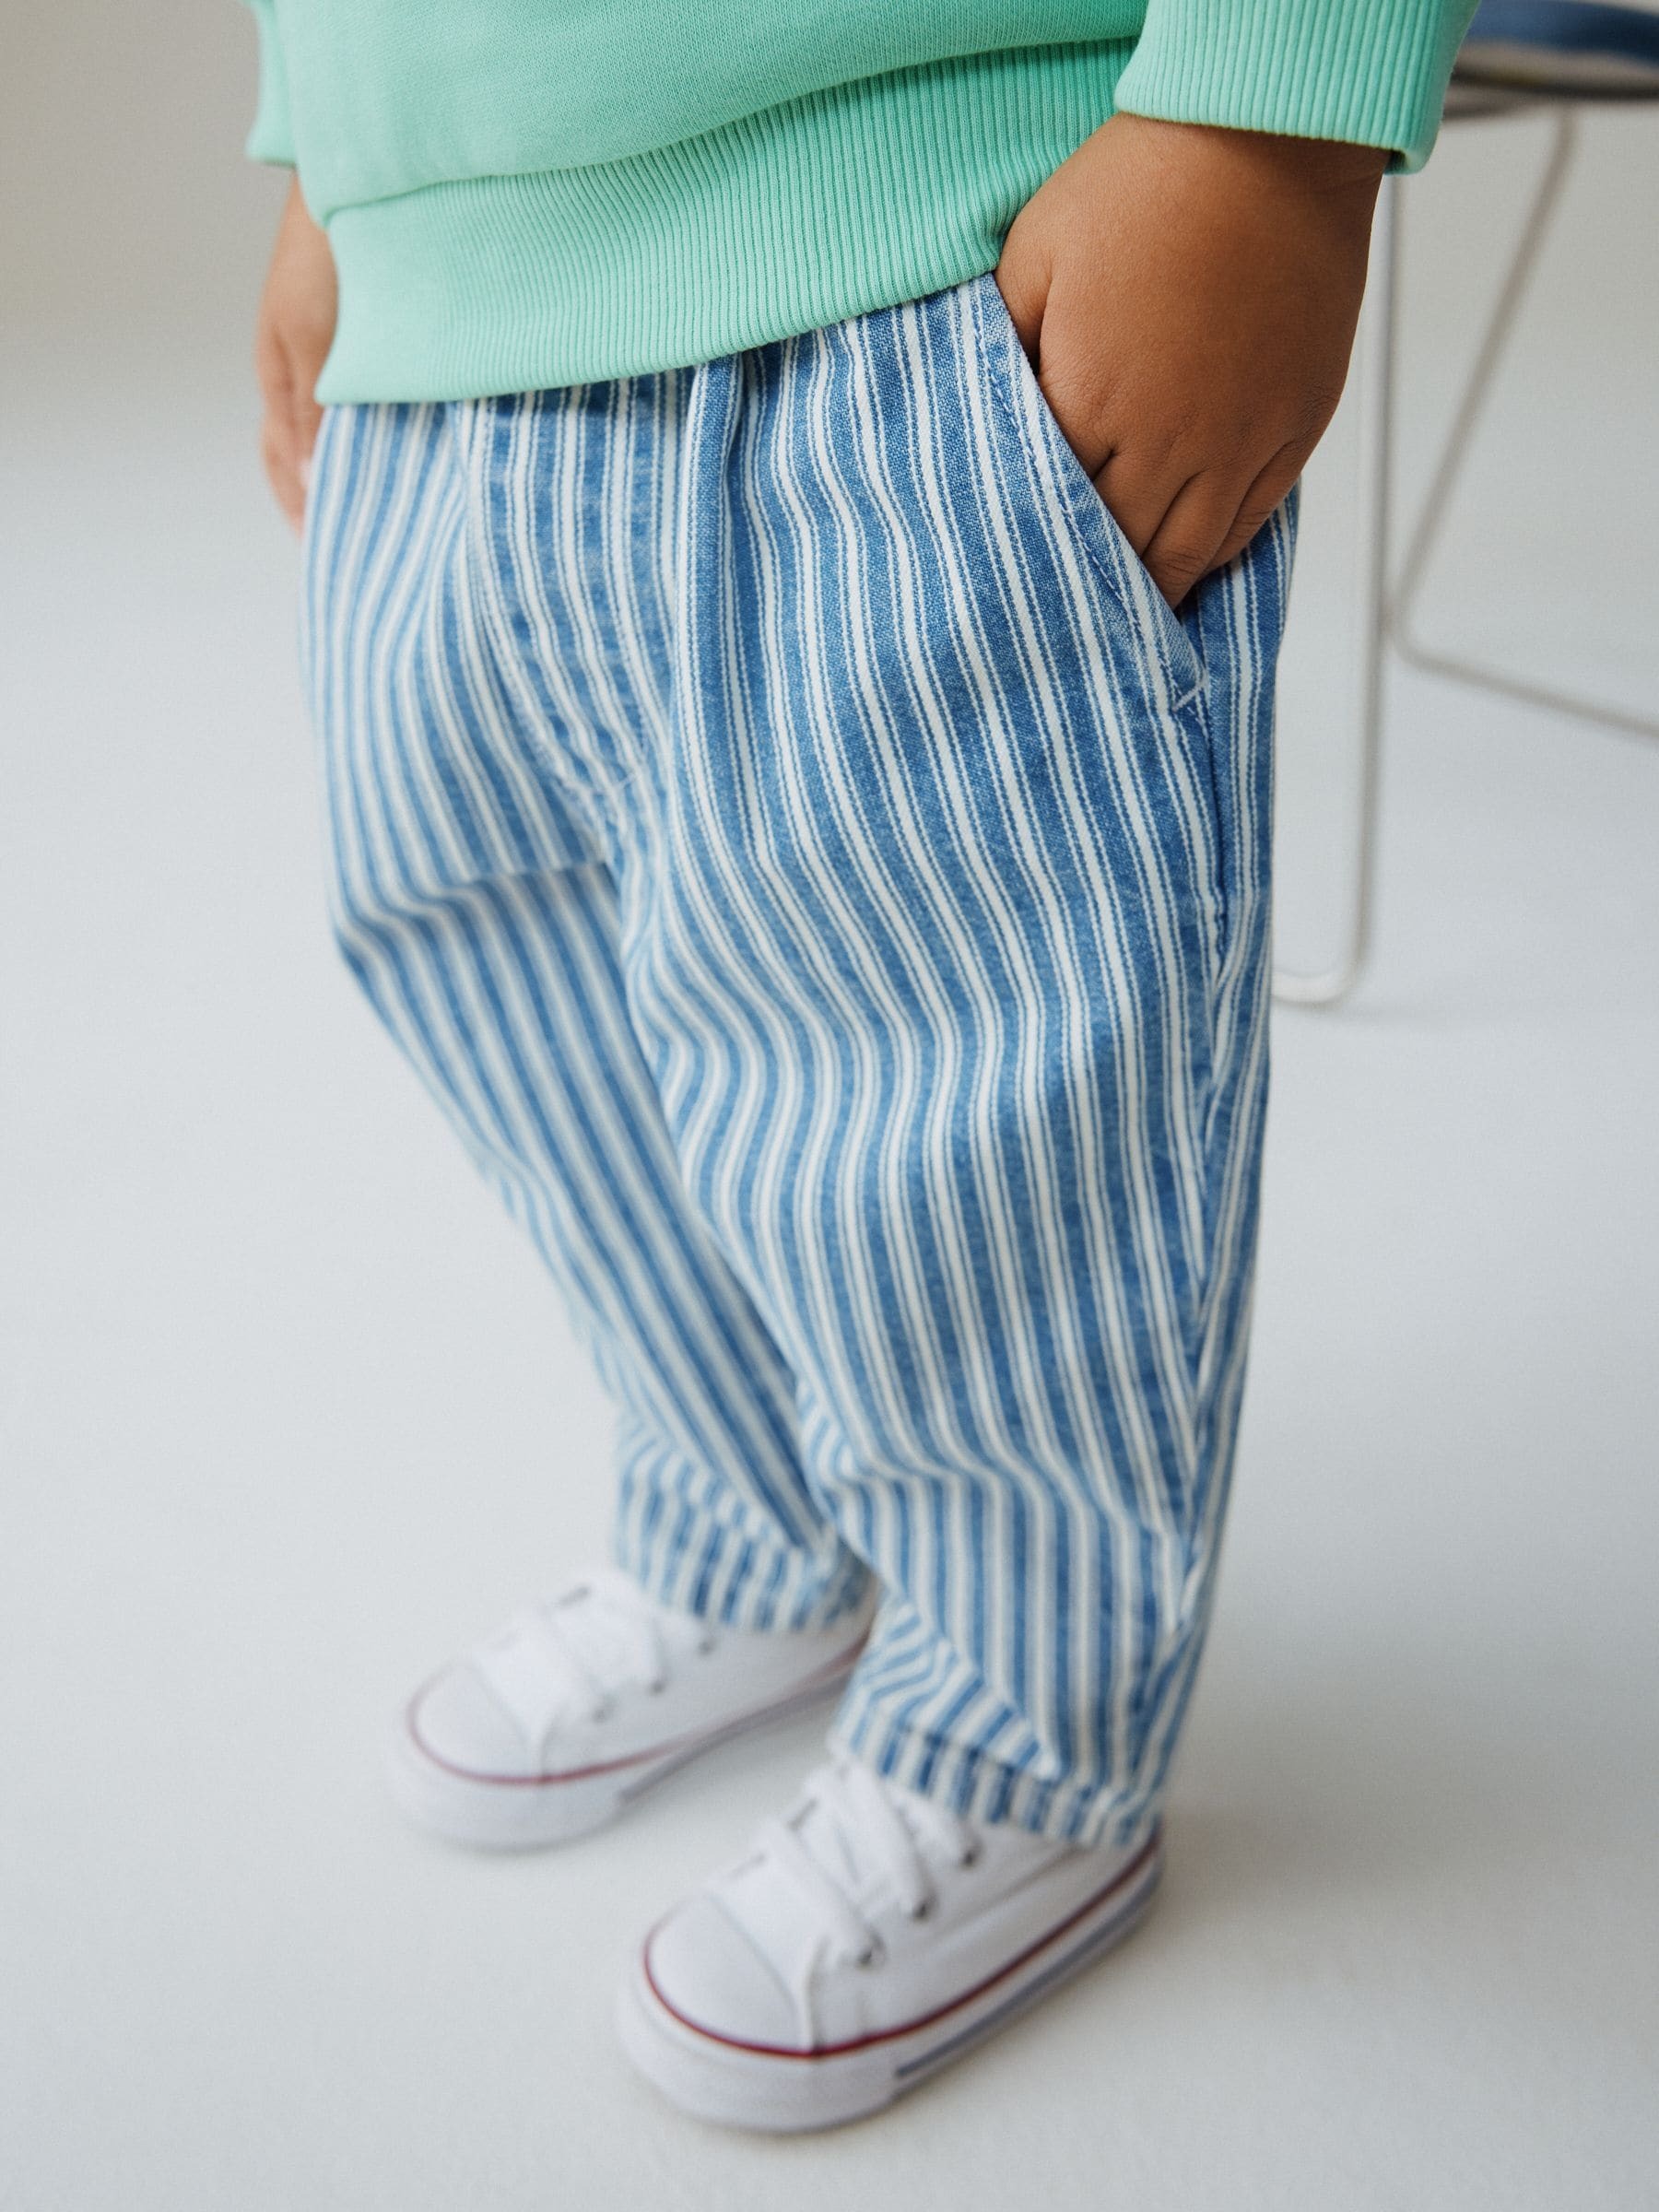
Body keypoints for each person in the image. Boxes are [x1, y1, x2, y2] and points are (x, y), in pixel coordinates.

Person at [246, 0, 1474, 2132]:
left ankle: (1024, 1737)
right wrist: (321, 140)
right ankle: (749, 1519)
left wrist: (1277, 100)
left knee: (961, 1097)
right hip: (429, 274)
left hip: (923, 216)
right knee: (506, 981)